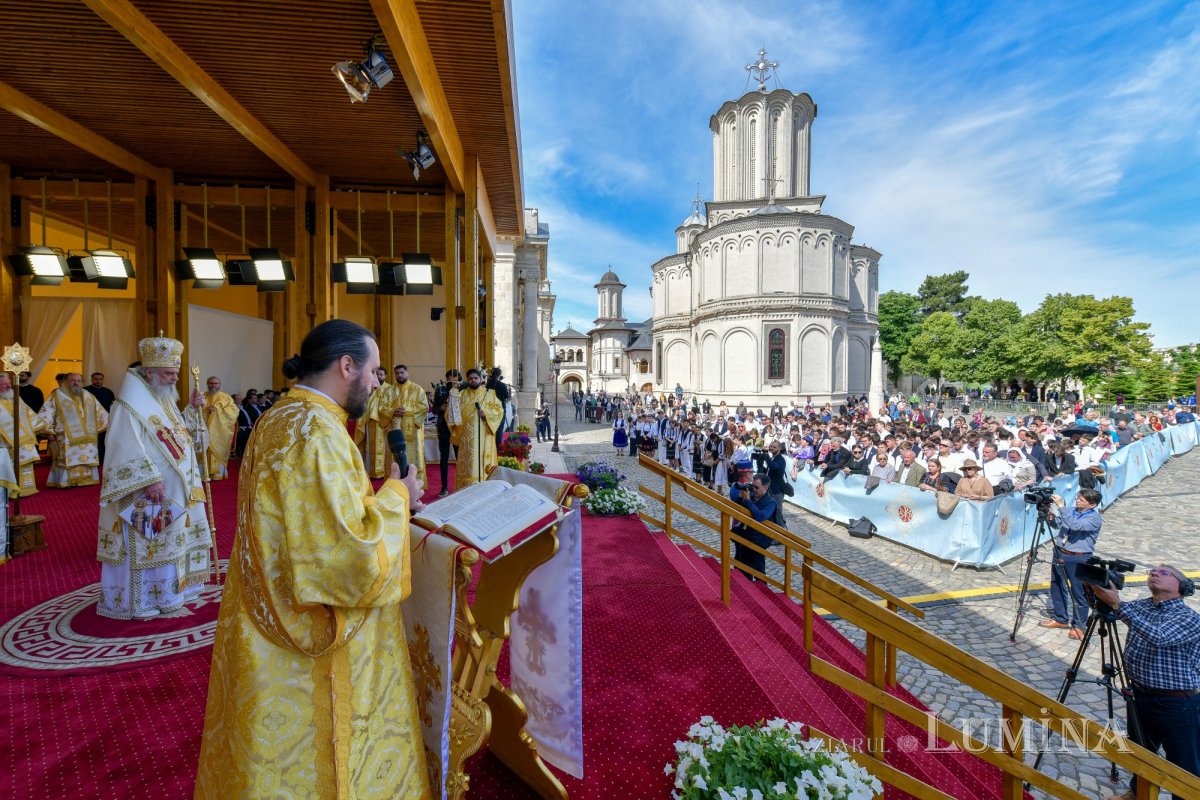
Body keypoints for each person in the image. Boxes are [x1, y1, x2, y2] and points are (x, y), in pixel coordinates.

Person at [195, 319, 429, 799]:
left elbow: (314, 521)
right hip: (312, 637)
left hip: (264, 615)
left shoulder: (279, 416)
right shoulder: (318, 432)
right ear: (346, 366)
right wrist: (397, 495)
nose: (378, 383)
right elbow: (352, 557)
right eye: (374, 371)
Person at [96, 335, 212, 620]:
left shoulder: (163, 400)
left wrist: (192, 412)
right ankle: (147, 598)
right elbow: (123, 445)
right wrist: (149, 479)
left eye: (176, 373)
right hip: (150, 490)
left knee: (171, 537)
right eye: (168, 373)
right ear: (149, 373)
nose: (174, 378)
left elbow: (180, 437)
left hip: (177, 487)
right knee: (150, 541)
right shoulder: (128, 405)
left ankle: (174, 592)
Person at [1092, 565, 1200, 800]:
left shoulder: (1189, 618)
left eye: (1164, 572)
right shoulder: (1143, 606)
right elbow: (1113, 612)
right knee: (1141, 753)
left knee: (1184, 765)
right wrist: (1095, 589)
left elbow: (1158, 636)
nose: (1154, 573)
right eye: (1152, 571)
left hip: (1177, 704)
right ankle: (1137, 794)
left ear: (1182, 585)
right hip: (1140, 695)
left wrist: (1117, 604)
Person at [1039, 488, 1103, 638]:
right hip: (1060, 552)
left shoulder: (1094, 518)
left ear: (1092, 505)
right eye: (1078, 498)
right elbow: (1058, 525)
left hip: (1078, 557)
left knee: (1078, 592)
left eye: (1082, 500)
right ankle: (1060, 618)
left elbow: (1075, 525)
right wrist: (1051, 516)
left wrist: (1061, 507)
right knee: (1057, 586)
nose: (1077, 501)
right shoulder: (1072, 511)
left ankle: (1079, 625)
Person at [37, 372, 109, 488]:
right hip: (65, 435)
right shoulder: (57, 395)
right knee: (67, 458)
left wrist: (108, 422)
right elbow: (47, 413)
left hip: (88, 435)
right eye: (72, 380)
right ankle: (66, 482)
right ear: (66, 382)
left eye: (78, 381)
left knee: (87, 457)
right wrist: (49, 431)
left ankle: (86, 479)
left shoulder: (88, 395)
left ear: (82, 383)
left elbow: (100, 412)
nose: (76, 383)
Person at [450, 367, 503, 490]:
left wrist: (486, 415)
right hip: (466, 440)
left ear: (480, 379)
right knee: (468, 467)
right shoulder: (461, 395)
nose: (473, 380)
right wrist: (452, 399)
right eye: (470, 378)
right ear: (467, 380)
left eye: (475, 378)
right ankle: (466, 490)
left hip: (484, 437)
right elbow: (452, 416)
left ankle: (486, 490)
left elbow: (499, 411)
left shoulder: (490, 394)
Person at [0, 371, 47, 496]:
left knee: (24, 464)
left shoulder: (14, 397)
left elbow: (28, 414)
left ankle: (25, 490)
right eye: (4, 384)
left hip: (22, 440)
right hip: (4, 443)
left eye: (9, 383)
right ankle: (7, 493)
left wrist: (43, 428)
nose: (9, 386)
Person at [353, 366, 401, 479]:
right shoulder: (368, 388)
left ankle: (384, 470)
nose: (378, 377)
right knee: (370, 447)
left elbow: (393, 406)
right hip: (370, 422)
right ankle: (370, 470)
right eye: (377, 374)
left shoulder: (390, 390)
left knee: (385, 447)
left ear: (385, 376)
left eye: (381, 375)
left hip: (384, 423)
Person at [730, 473, 778, 581]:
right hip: (747, 534)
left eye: (757, 487)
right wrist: (740, 497)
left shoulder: (771, 502)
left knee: (758, 569)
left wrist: (748, 500)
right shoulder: (752, 496)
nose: (754, 490)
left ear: (765, 488)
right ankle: (742, 584)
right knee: (740, 563)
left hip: (759, 539)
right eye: (752, 487)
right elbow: (736, 508)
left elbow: (760, 516)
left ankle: (761, 589)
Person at [391, 364, 429, 492]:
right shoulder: (389, 391)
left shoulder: (417, 389)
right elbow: (381, 408)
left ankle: (416, 483)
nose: (399, 375)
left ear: (407, 373)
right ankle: (396, 483)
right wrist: (392, 411)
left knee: (413, 454)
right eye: (397, 373)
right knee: (395, 455)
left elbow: (424, 407)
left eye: (402, 372)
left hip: (413, 430)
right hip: (395, 429)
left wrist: (406, 411)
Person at [202, 376, 238, 480]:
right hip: (204, 430)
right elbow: (194, 411)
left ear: (219, 385)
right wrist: (206, 410)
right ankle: (204, 474)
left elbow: (234, 411)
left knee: (217, 450)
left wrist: (217, 410)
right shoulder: (202, 397)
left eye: (216, 383)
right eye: (211, 383)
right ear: (207, 384)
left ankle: (217, 474)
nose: (213, 385)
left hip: (220, 432)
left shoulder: (226, 397)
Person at [433, 369, 461, 497]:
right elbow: (434, 409)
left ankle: (461, 485)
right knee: (443, 458)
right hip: (444, 427)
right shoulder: (440, 389)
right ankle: (444, 487)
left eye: (455, 378)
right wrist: (441, 408)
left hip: (457, 428)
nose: (452, 380)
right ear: (447, 379)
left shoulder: (462, 390)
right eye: (450, 378)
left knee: (460, 457)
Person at [84, 371, 116, 466]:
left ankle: (102, 460)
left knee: (103, 441)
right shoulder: (85, 391)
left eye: (100, 379)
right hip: (89, 421)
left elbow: (113, 406)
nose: (98, 381)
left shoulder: (108, 391)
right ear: (91, 379)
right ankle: (90, 460)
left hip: (105, 422)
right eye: (96, 379)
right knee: (91, 441)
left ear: (103, 380)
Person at [764, 440, 789, 527]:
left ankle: (782, 532)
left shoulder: (780, 459)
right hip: (769, 489)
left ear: (779, 449)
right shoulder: (773, 458)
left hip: (777, 491)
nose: (772, 448)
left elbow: (773, 466)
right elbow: (768, 471)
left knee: (778, 514)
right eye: (771, 446)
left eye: (774, 447)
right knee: (769, 512)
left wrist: (766, 455)